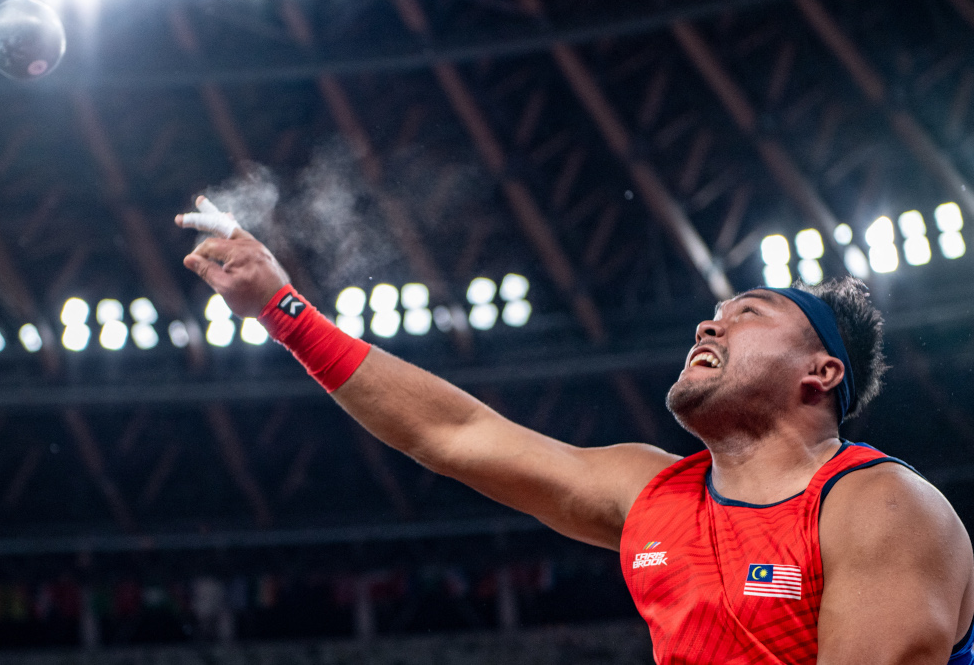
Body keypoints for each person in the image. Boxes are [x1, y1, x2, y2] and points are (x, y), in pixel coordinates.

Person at [177, 200, 974, 664]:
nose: (711, 320)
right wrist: (285, 311)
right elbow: (454, 433)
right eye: (715, 310)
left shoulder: (881, 506)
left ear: (821, 373)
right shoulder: (653, 492)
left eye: (749, 313)